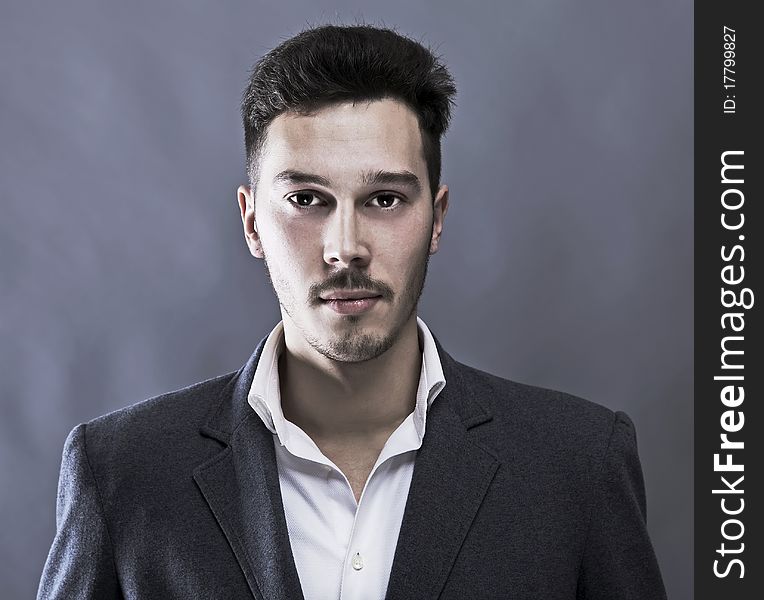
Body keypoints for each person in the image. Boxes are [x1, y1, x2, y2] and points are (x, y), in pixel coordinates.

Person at [38, 24, 667, 600]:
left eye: (385, 199)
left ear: (436, 219)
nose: (346, 248)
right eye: (307, 198)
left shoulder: (576, 465)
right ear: (252, 220)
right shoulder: (122, 473)